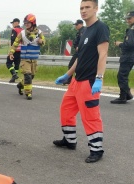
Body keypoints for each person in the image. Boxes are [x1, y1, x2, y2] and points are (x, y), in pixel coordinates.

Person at [54, 0, 109, 163]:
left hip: (90, 81)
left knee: (90, 116)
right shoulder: (84, 30)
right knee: (66, 110)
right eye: (81, 8)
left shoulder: (101, 28)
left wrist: (99, 79)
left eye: (87, 7)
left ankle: (97, 149)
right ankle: (70, 141)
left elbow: (103, 55)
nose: (83, 11)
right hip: (76, 81)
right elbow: (80, 57)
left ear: (96, 9)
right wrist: (68, 74)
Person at [9, 13, 45, 100]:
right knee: (28, 75)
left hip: (34, 59)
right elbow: (15, 43)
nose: (26, 24)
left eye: (28, 22)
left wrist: (41, 41)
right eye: (25, 23)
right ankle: (28, 93)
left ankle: (20, 85)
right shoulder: (22, 33)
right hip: (25, 59)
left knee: (31, 76)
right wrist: (11, 53)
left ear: (33, 23)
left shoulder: (39, 33)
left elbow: (44, 42)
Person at [111, 11, 134, 104]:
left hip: (129, 55)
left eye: (130, 18)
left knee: (122, 76)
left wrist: (120, 44)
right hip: (132, 55)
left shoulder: (133, 29)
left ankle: (124, 96)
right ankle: (125, 95)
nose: (128, 20)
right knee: (123, 76)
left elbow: (129, 44)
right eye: (127, 18)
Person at [63, 19, 85, 85]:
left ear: (81, 24)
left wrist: (79, 47)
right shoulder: (79, 31)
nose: (76, 26)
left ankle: (71, 80)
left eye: (77, 25)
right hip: (78, 52)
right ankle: (72, 80)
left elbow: (83, 41)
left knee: (72, 65)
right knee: (73, 65)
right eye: (75, 25)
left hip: (80, 52)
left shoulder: (83, 31)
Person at [6, 18, 23, 83]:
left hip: (15, 50)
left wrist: (11, 51)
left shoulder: (14, 30)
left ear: (17, 22)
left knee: (8, 63)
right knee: (16, 64)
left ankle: (14, 74)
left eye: (13, 23)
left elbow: (13, 40)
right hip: (21, 50)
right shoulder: (23, 30)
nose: (12, 24)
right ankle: (14, 78)